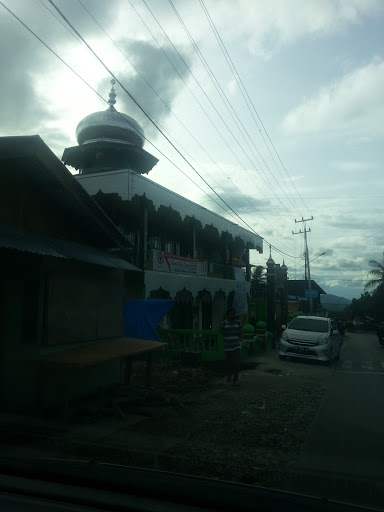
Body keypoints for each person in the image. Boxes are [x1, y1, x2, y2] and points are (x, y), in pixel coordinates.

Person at [220, 307, 243, 386]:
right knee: (228, 363)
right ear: (227, 315)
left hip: (236, 346)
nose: (233, 316)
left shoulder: (239, 323)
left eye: (234, 314)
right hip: (227, 347)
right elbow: (222, 333)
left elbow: (240, 334)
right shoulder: (223, 324)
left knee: (236, 363)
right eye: (231, 314)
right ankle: (229, 375)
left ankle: (235, 380)